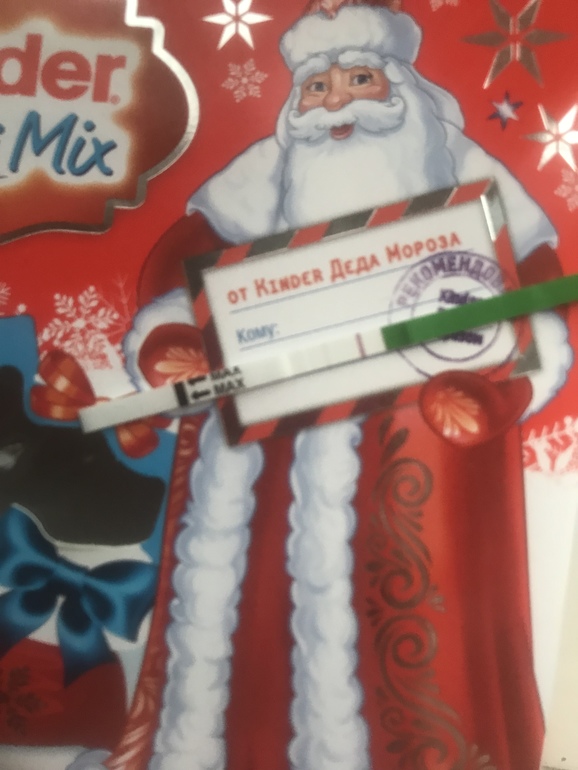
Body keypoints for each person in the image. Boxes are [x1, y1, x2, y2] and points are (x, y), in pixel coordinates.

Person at [124, 2, 572, 769]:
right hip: (269, 455)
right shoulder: (264, 173)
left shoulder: (462, 166)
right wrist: (172, 340)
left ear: (399, 85)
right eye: (317, 88)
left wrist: (500, 390)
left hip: (422, 447)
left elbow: (538, 288)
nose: (336, 105)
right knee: (257, 610)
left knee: (415, 613)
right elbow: (178, 265)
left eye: (358, 81)